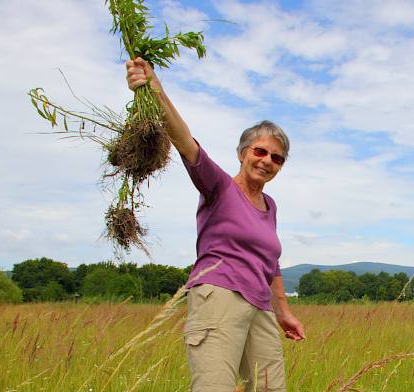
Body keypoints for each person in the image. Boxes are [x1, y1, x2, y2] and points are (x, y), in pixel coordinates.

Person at [125, 57, 305, 392]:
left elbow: (272, 265)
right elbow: (186, 142)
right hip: (218, 296)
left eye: (276, 158)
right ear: (242, 152)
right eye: (261, 151)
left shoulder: (270, 206)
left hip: (260, 306)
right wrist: (155, 89)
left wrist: (284, 313)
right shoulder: (219, 186)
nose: (267, 161)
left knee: (270, 388)